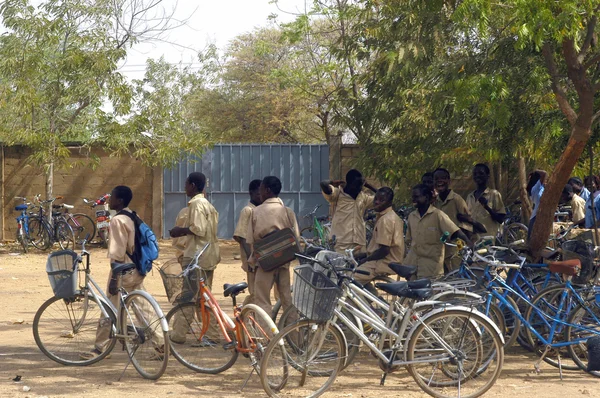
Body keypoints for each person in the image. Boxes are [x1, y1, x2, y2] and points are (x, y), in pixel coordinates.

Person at [81, 185, 164, 360]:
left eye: (112, 197)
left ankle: (99, 348)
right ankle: (161, 341)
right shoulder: (133, 215)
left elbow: (118, 253)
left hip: (123, 271)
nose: (109, 200)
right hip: (137, 268)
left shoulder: (117, 221)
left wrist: (114, 279)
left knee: (109, 307)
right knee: (142, 307)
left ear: (119, 201)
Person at [168, 172, 221, 345]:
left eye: (186, 184)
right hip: (208, 255)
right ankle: (212, 333)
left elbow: (198, 229)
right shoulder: (208, 205)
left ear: (192, 185)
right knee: (204, 297)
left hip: (196, 257)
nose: (184, 187)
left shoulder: (196, 204)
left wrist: (179, 231)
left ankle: (179, 333)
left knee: (188, 295)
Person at [247, 176, 300, 316]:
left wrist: (252, 263)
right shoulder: (288, 211)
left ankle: (267, 336)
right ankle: (294, 335)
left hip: (265, 262)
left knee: (262, 300)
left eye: (262, 189)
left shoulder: (255, 212)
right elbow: (296, 238)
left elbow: (251, 240)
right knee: (287, 299)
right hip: (283, 261)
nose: (261, 192)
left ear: (267, 191)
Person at [404, 184, 471, 279]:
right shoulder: (412, 216)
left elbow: (455, 231)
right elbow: (408, 240)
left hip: (431, 268)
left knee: (432, 293)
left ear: (426, 197)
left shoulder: (438, 215)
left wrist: (468, 243)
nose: (413, 200)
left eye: (416, 197)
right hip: (413, 265)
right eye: (412, 197)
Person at [354, 187, 404, 284]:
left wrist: (365, 260)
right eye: (376, 199)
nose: (377, 202)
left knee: (350, 279)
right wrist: (362, 255)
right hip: (387, 260)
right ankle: (369, 296)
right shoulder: (390, 216)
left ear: (389, 202)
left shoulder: (385, 220)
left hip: (383, 263)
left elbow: (384, 250)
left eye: (381, 200)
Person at [433, 168, 479, 272]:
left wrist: (467, 244)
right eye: (436, 179)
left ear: (449, 181)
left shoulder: (456, 199)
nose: (439, 181)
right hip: (441, 247)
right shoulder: (435, 202)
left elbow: (468, 223)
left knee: (457, 276)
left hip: (456, 246)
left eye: (443, 178)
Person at [320, 169, 377, 254]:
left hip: (359, 242)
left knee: (359, 267)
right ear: (348, 183)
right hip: (341, 242)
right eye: (356, 186)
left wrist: (368, 185)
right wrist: (332, 182)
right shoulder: (337, 194)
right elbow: (323, 184)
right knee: (341, 266)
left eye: (360, 186)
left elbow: (383, 196)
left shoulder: (363, 197)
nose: (358, 188)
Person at [233, 179, 263, 306]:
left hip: (260, 257)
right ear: (251, 193)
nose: (261, 197)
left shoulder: (260, 210)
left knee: (260, 291)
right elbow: (243, 237)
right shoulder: (248, 211)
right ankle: (245, 314)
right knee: (255, 292)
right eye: (258, 195)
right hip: (252, 259)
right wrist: (252, 259)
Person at [466, 164, 506, 242]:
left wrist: (487, 207)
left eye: (481, 173)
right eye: (475, 174)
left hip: (487, 241)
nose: (477, 176)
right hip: (472, 241)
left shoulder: (494, 194)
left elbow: (501, 219)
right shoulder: (470, 196)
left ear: (487, 176)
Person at [527, 170, 547, 238]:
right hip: (536, 216)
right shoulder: (535, 188)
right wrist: (535, 171)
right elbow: (544, 173)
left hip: (535, 215)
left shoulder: (538, 188)